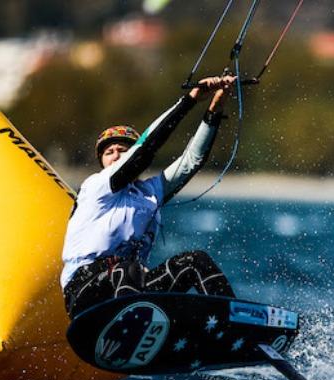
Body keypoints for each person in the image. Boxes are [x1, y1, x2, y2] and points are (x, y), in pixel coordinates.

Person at [61, 75, 239, 318]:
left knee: (194, 262)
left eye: (122, 150)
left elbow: (191, 161)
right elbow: (146, 148)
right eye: (109, 152)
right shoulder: (96, 186)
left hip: (131, 286)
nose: (116, 156)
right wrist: (191, 98)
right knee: (125, 267)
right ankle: (132, 325)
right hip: (85, 291)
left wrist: (215, 109)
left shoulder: (148, 194)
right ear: (102, 162)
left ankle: (233, 322)